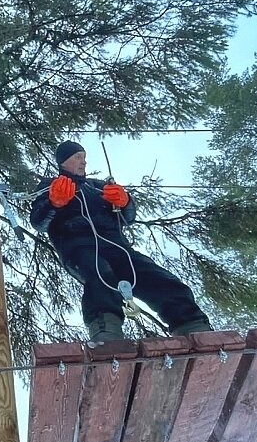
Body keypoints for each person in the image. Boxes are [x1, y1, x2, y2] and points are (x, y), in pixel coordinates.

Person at [30, 140, 212, 342]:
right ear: (63, 161)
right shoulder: (50, 186)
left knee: (154, 276)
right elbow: (39, 222)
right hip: (79, 245)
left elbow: (127, 218)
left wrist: (125, 203)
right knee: (100, 274)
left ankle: (193, 325)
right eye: (77, 157)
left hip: (117, 245)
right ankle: (106, 330)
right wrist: (54, 203)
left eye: (84, 157)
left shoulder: (98, 186)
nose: (83, 161)